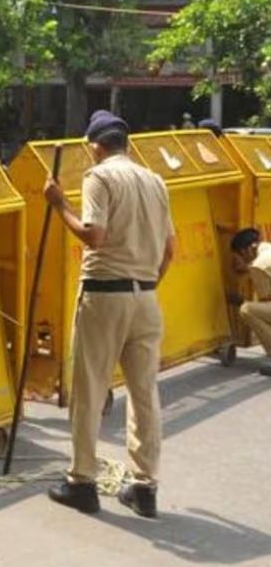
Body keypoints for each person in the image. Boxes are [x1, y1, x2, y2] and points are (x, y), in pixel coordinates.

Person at [43, 111, 175, 519]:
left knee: (89, 389)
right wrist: (146, 284)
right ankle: (144, 485)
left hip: (105, 294)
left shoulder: (99, 177)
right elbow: (170, 248)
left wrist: (59, 202)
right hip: (146, 297)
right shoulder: (154, 181)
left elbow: (93, 235)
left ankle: (82, 481)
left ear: (96, 146)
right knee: (144, 394)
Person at [229, 227, 271, 375]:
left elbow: (267, 301)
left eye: (238, 256)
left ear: (247, 250)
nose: (240, 260)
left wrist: (241, 301)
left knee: (247, 309)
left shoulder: (258, 266)